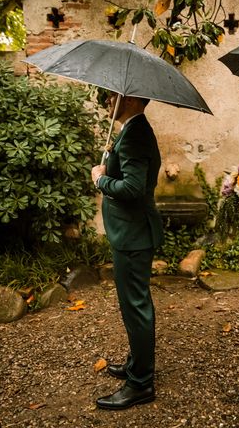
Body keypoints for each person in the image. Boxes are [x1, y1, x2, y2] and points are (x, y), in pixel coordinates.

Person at [91, 94, 163, 410]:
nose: (109, 100)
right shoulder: (132, 130)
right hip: (129, 233)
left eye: (114, 96)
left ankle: (140, 384)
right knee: (133, 305)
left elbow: (132, 189)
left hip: (133, 235)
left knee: (136, 306)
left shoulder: (135, 134)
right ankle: (136, 365)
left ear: (131, 99)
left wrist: (100, 179)